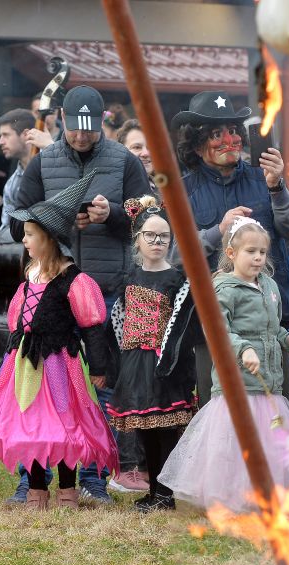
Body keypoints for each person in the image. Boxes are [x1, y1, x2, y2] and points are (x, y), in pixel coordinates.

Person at [10, 84, 153, 506]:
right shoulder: (43, 162)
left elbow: (148, 222)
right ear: (63, 122)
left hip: (107, 289)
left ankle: (91, 476)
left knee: (100, 384)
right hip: (53, 289)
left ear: (102, 124)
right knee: (36, 383)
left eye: (89, 131)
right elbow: (20, 222)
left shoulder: (125, 161)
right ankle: (31, 479)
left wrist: (113, 217)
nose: (81, 137)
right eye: (74, 130)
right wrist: (55, 220)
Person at [0, 170, 119, 509]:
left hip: (59, 363)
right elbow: (17, 323)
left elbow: (93, 326)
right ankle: (36, 490)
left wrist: (98, 366)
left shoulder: (73, 280)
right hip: (25, 365)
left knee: (62, 423)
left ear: (48, 239)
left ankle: (68, 490)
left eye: (31, 235)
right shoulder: (29, 275)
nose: (24, 240)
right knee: (32, 422)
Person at [158, 218, 289, 512]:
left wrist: (288, 340)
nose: (258, 258)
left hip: (268, 384)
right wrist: (243, 350)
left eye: (263, 252)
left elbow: (272, 328)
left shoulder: (270, 287)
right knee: (235, 446)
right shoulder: (224, 289)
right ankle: (229, 499)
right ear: (231, 253)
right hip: (237, 385)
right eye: (251, 251)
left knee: (268, 443)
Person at [172, 90, 289, 404]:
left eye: (233, 131)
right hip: (215, 321)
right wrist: (218, 231)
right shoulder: (183, 191)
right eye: (216, 134)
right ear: (197, 143)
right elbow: (175, 256)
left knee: (274, 404)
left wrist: (277, 186)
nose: (228, 139)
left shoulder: (264, 178)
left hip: (270, 316)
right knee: (220, 404)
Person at [104, 196, 200, 512]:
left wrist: (171, 359)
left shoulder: (177, 280)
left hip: (164, 364)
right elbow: (117, 320)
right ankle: (153, 490)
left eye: (163, 236)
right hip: (135, 362)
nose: (157, 242)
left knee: (165, 429)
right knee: (144, 427)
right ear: (138, 239)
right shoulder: (129, 277)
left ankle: (165, 492)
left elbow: (183, 326)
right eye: (150, 235)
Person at [0, 108, 38, 233]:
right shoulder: (11, 185)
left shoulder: (51, 169)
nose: (0, 142)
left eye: (6, 135)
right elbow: (5, 230)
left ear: (25, 134)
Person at [116, 119, 155, 192]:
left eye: (151, 147)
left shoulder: (167, 190)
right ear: (121, 151)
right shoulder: (112, 191)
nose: (146, 153)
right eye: (137, 147)